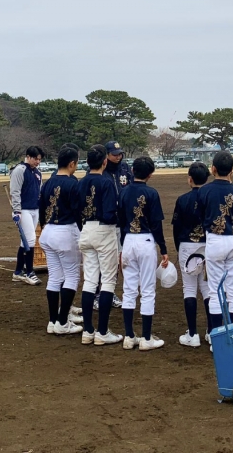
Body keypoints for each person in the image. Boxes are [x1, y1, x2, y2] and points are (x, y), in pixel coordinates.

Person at [118, 156, 168, 351]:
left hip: (128, 240)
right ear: (150, 174)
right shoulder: (151, 193)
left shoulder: (124, 191)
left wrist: (123, 246)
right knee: (147, 290)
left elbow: (121, 220)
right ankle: (146, 338)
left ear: (132, 171)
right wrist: (163, 248)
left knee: (129, 289)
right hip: (146, 240)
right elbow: (156, 224)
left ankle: (129, 336)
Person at [77, 144, 123, 345]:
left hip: (86, 229)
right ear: (104, 161)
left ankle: (88, 330)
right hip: (104, 230)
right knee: (108, 281)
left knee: (89, 280)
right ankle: (102, 331)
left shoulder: (81, 182)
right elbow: (109, 212)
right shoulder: (106, 182)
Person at [39, 146, 84, 335]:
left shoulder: (48, 182)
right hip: (66, 231)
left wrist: (44, 226)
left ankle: (53, 321)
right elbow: (78, 211)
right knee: (72, 276)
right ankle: (63, 321)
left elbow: (42, 208)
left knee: (55, 277)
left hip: (48, 231)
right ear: (72, 163)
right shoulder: (73, 184)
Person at [198, 151, 233, 334]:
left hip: (215, 240)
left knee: (215, 290)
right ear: (231, 170)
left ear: (213, 169)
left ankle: (217, 338)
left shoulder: (204, 191)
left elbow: (201, 216)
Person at [172, 162, 211, 348]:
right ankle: (211, 331)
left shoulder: (182, 199)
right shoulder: (210, 198)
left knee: (189, 288)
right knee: (207, 289)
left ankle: (193, 334)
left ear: (190, 179)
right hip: (207, 245)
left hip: (187, 245)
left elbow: (176, 227)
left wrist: (178, 247)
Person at [97, 140, 134, 309]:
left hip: (122, 221)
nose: (118, 157)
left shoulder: (125, 168)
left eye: (120, 154)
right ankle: (98, 293)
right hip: (106, 222)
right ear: (106, 155)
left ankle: (109, 293)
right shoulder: (101, 170)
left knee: (117, 260)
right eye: (114, 154)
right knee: (103, 260)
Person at [9, 145, 44, 285]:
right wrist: (17, 211)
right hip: (24, 210)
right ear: (28, 157)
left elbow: (40, 191)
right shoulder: (20, 170)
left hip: (35, 209)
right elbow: (15, 191)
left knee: (25, 241)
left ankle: (18, 272)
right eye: (36, 159)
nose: (38, 162)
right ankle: (29, 271)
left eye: (39, 159)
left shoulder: (37, 172)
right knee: (30, 240)